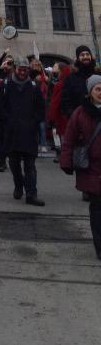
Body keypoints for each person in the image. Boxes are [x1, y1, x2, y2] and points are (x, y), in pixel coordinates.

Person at [60, 74, 101, 260]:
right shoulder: (80, 113)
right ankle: (99, 245)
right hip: (91, 167)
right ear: (90, 92)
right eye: (98, 89)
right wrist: (66, 161)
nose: (100, 93)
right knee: (97, 207)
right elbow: (69, 139)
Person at [2, 58, 46, 206]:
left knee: (30, 165)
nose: (22, 72)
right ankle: (19, 184)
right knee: (14, 163)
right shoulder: (6, 85)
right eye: (20, 69)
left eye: (25, 69)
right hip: (12, 132)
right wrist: (7, 120)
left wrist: (34, 121)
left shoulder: (34, 87)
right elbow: (0, 105)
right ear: (15, 69)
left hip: (29, 132)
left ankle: (31, 194)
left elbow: (41, 108)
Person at [61, 46, 98, 121]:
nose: (85, 57)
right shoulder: (71, 78)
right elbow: (66, 101)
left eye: (87, 54)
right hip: (80, 120)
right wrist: (73, 116)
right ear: (78, 58)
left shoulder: (98, 75)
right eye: (82, 55)